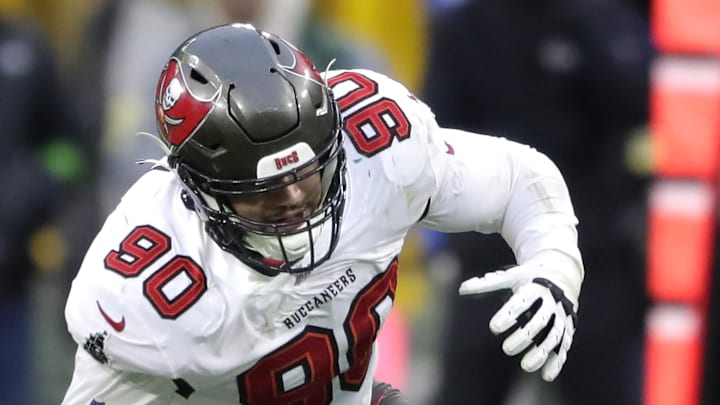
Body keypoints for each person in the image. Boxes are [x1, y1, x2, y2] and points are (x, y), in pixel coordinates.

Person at [61, 23, 584, 404]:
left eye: (306, 173)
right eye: (263, 189)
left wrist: (555, 261)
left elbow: (518, 178)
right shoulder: (151, 296)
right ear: (201, 191)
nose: (292, 198)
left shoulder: (377, 147)